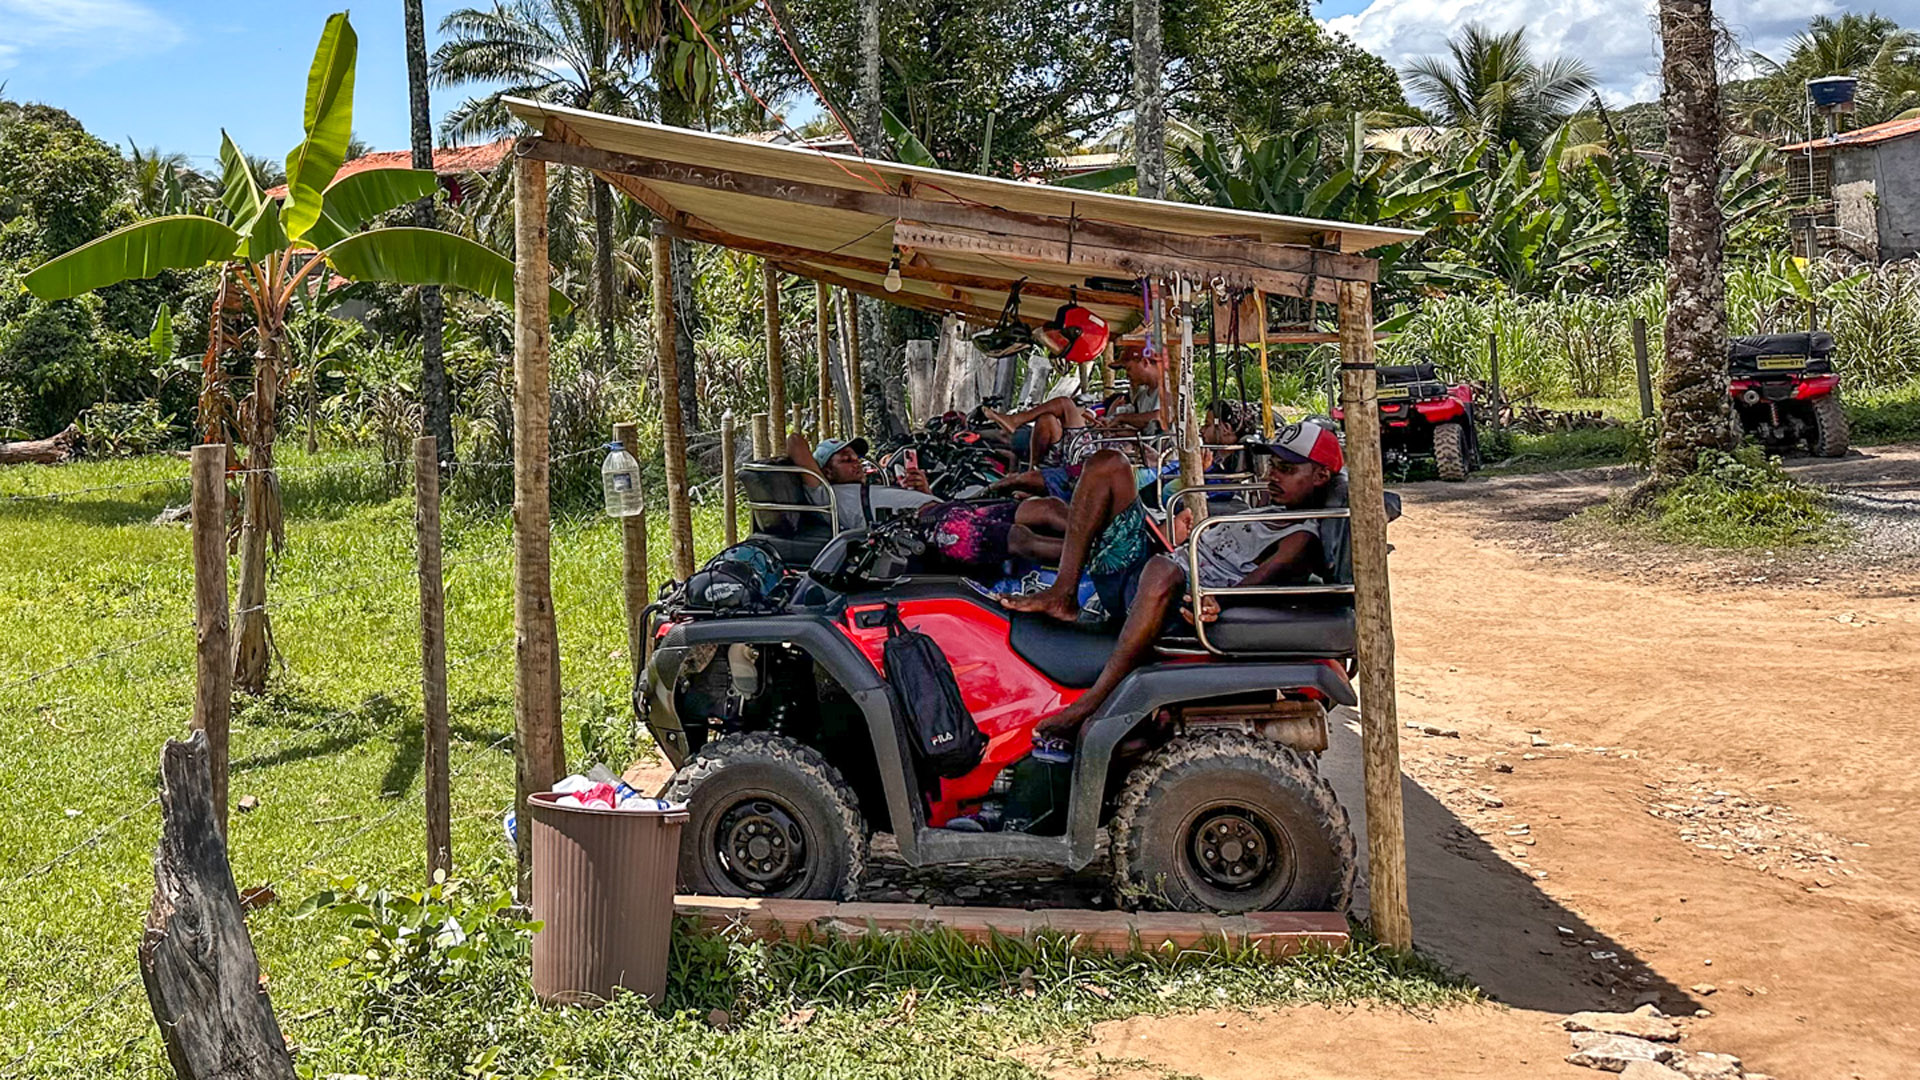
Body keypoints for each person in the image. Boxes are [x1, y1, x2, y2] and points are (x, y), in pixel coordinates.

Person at [1005, 421, 1348, 741]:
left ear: (1320, 476)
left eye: (1286, 470)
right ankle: (1063, 592)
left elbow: (1261, 580)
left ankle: (1096, 699)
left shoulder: (1302, 536)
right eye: (1273, 466)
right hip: (1161, 567)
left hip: (1174, 600)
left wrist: (1221, 602)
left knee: (1161, 569)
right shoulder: (1276, 508)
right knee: (1108, 463)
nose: (1273, 476)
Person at [982, 347, 1167, 467]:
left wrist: (1119, 420)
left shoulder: (1167, 391)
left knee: (1065, 403)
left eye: (1129, 369)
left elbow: (1159, 418)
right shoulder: (1142, 395)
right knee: (1046, 419)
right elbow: (1130, 425)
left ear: (1145, 363)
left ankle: (1017, 420)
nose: (1127, 375)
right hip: (1107, 441)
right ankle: (1033, 467)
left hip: (1124, 451)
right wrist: (1109, 423)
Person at [786, 432, 938, 530]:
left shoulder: (872, 487)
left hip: (940, 516)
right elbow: (794, 441)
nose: (856, 463)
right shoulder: (826, 495)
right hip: (934, 524)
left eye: (856, 458)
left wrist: (924, 492)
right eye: (846, 460)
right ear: (828, 472)